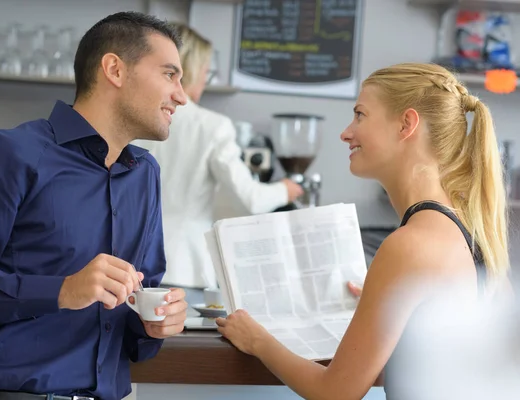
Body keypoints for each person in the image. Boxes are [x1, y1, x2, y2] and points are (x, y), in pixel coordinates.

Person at [0, 12, 189, 400]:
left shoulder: (144, 173)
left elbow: (137, 305)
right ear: (114, 69)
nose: (181, 95)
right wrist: (61, 291)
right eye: (169, 75)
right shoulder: (10, 155)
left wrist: (155, 324)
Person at [216, 63, 515, 399]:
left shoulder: (411, 246)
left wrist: (257, 339)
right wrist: (386, 306)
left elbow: (336, 393)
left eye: (360, 115)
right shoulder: (473, 235)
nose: (346, 132)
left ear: (406, 124)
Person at [133, 23, 303, 305]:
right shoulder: (213, 126)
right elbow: (251, 199)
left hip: (132, 262)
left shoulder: (137, 118)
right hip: (186, 266)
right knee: (184, 346)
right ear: (190, 70)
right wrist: (286, 189)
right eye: (205, 72)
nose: (205, 80)